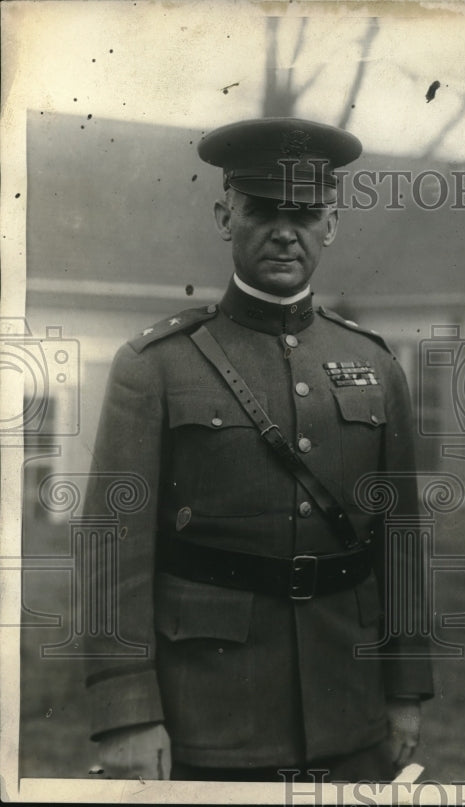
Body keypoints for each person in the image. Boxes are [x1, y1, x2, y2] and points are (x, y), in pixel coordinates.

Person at [83, 118, 433, 781]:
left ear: (329, 223)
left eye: (304, 214)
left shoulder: (374, 364)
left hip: (349, 706)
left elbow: (401, 541)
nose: (284, 231)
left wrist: (404, 688)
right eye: (264, 210)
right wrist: (126, 711)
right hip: (207, 714)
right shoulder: (153, 365)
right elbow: (112, 549)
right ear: (225, 214)